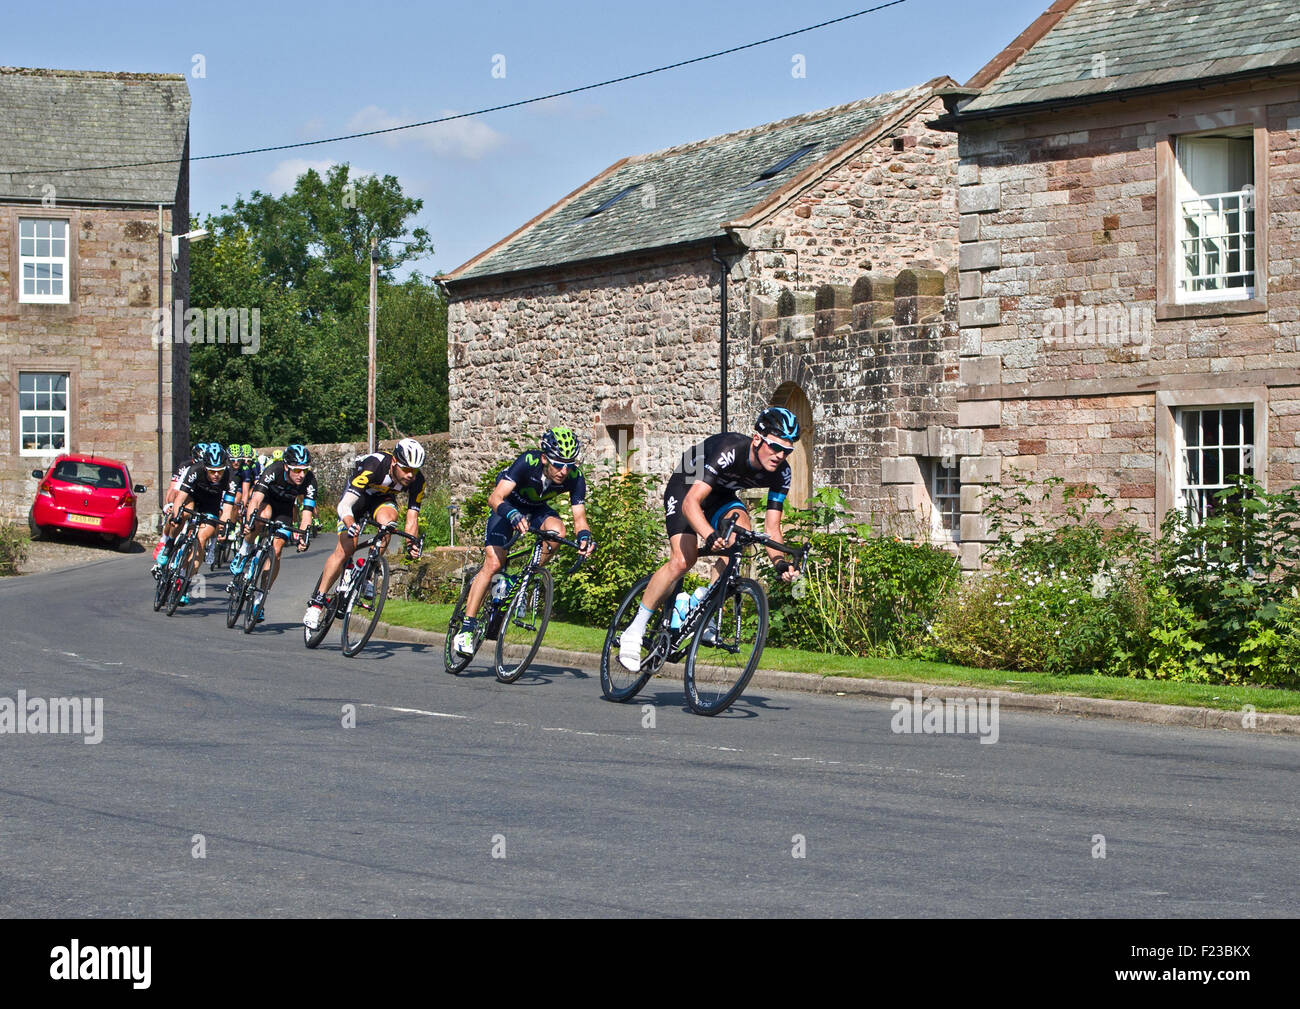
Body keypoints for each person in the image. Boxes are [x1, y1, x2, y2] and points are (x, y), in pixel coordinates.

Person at [617, 407, 803, 671]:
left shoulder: (781, 472)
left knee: (741, 530)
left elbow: (773, 527)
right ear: (758, 438)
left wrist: (780, 563)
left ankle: (701, 600)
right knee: (683, 559)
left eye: (787, 450)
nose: (780, 455)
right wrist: (709, 534)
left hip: (721, 496)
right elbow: (691, 502)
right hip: (687, 485)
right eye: (775, 447)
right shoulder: (729, 449)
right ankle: (634, 631)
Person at [452, 427, 596, 656]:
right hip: (507, 507)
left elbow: (580, 518)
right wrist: (511, 514)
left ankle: (520, 579)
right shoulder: (528, 461)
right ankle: (466, 630)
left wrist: (585, 537)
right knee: (494, 563)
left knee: (559, 531)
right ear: (544, 458)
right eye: (558, 464)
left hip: (536, 509)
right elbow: (495, 498)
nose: (564, 470)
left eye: (569, 465)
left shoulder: (575, 477)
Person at [303, 438, 425, 629]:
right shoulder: (374, 466)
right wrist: (350, 523)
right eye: (406, 469)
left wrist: (412, 544)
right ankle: (317, 602)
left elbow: (412, 519)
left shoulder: (417, 482)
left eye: (415, 470)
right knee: (346, 548)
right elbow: (344, 505)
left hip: (383, 499)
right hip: (357, 497)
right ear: (394, 462)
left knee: (389, 524)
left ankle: (368, 572)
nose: (411, 475)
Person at [231, 444, 317, 622]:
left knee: (277, 551)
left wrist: (303, 535)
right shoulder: (274, 470)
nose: (301, 475)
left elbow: (306, 514)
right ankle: (245, 549)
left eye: (305, 470)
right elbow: (255, 499)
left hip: (285, 510)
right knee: (262, 516)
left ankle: (259, 600)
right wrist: (248, 522)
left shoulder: (309, 481)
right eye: (297, 470)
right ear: (286, 466)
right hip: (266, 502)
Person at [156, 444, 239, 604]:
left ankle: (184, 582)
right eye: (212, 471)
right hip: (192, 497)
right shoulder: (195, 470)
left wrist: (223, 526)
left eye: (220, 471)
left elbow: (228, 509)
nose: (216, 475)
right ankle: (169, 544)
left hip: (211, 505)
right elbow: (180, 498)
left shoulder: (230, 477)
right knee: (183, 513)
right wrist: (176, 517)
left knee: (201, 538)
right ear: (205, 467)